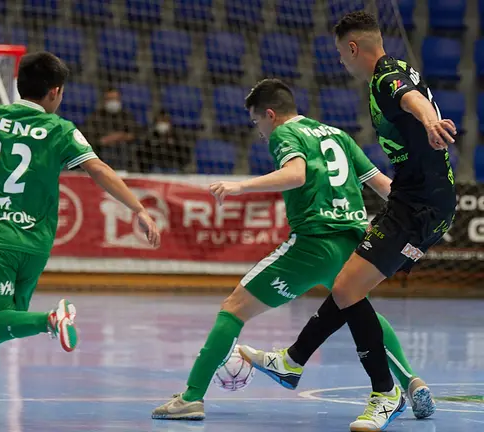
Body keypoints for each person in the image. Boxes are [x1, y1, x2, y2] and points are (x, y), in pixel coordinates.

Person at [151, 78, 420, 424]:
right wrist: (414, 220)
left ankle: (191, 397)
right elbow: (384, 185)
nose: (260, 132)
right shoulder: (338, 135)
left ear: (270, 114)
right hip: (353, 244)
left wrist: (239, 186)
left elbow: (296, 174)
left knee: (233, 309)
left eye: (257, 122)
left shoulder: (284, 133)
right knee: (360, 311)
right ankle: (411, 381)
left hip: (313, 243)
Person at [240, 12, 456, 431]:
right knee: (347, 287)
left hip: (419, 205)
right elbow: (410, 94)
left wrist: (429, 120)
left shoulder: (385, 77)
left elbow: (410, 98)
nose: (341, 62)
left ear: (353, 48)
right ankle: (293, 361)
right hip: (421, 202)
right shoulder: (397, 67)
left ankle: (384, 393)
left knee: (347, 288)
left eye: (341, 54)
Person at [0, 51, 161, 422]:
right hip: (35, 244)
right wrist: (138, 209)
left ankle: (50, 320)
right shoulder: (60, 130)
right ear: (55, 92)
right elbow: (99, 170)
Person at [83, 88, 139, 171]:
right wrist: (104, 140)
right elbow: (88, 136)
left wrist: (120, 136)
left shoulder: (127, 116)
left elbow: (135, 133)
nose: (113, 102)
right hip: (102, 150)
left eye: (115, 99)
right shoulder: (95, 117)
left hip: (124, 149)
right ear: (104, 101)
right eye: (110, 99)